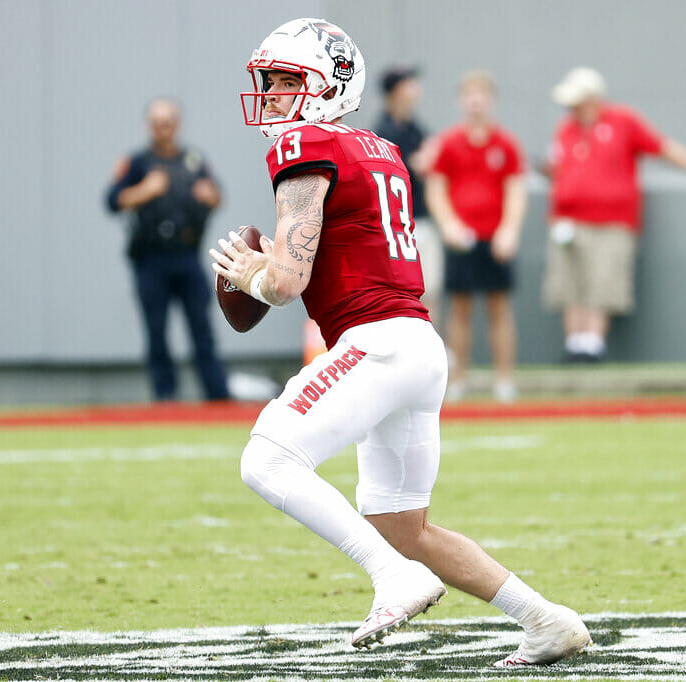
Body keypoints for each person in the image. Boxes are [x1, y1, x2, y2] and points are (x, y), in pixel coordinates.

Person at [210, 18, 590, 667]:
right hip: (416, 344)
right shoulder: (378, 148)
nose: (272, 95)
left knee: (265, 460)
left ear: (328, 87)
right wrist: (273, 269)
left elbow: (288, 281)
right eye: (267, 82)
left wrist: (254, 273)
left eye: (287, 81)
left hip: (377, 343)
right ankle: (546, 620)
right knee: (401, 524)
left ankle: (394, 578)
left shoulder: (303, 143)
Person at [545, 67, 686, 362]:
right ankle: (574, 344)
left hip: (611, 221)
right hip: (568, 220)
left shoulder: (623, 121)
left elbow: (661, 147)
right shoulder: (565, 128)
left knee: (603, 282)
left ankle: (592, 344)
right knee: (569, 284)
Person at [105, 98, 229, 401]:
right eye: (159, 122)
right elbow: (112, 201)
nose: (165, 128)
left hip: (188, 255)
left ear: (178, 124)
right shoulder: (138, 163)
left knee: (202, 329)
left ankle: (217, 397)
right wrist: (145, 190)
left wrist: (209, 196)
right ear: (150, 126)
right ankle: (165, 397)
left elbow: (217, 196)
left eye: (170, 121)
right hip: (151, 258)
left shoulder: (194, 160)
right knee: (156, 331)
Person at [426, 71, 527, 402]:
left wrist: (509, 230)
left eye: (481, 94)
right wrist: (450, 226)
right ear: (461, 100)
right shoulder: (449, 143)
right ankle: (457, 380)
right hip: (462, 239)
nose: (475, 100)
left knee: (499, 308)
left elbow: (515, 189)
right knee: (460, 309)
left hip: (495, 238)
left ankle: (504, 380)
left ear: (491, 99)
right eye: (469, 94)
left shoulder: (506, 144)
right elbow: (437, 189)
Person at [372, 66, 444, 330]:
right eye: (409, 84)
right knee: (401, 290)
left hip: (421, 219)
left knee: (431, 287)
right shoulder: (382, 131)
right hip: (395, 225)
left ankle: (432, 342)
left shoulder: (415, 128)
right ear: (396, 91)